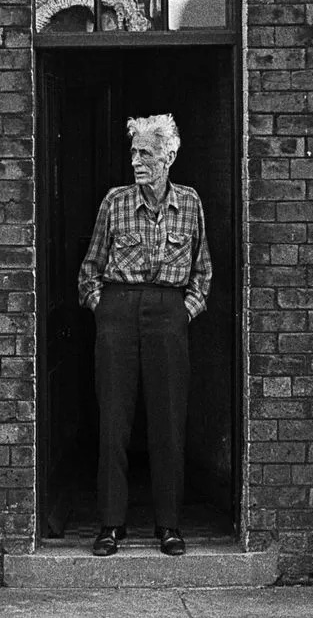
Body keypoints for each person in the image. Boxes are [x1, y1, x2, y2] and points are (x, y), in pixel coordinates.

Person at [77, 114, 212, 557]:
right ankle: (111, 525)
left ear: (169, 156)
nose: (137, 160)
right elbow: (89, 270)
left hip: (168, 313)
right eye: (134, 152)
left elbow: (202, 271)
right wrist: (104, 308)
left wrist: (184, 311)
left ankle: (168, 525)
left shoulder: (190, 203)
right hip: (118, 310)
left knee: (168, 421)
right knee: (114, 421)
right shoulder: (114, 203)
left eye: (146, 153)